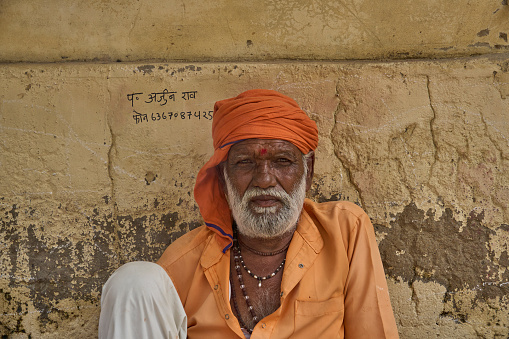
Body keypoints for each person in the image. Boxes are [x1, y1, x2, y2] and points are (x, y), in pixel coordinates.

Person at [99, 89, 399, 338]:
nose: (265, 179)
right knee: (134, 281)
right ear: (223, 178)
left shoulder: (345, 230)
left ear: (308, 173)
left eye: (282, 161)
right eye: (245, 163)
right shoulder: (185, 262)